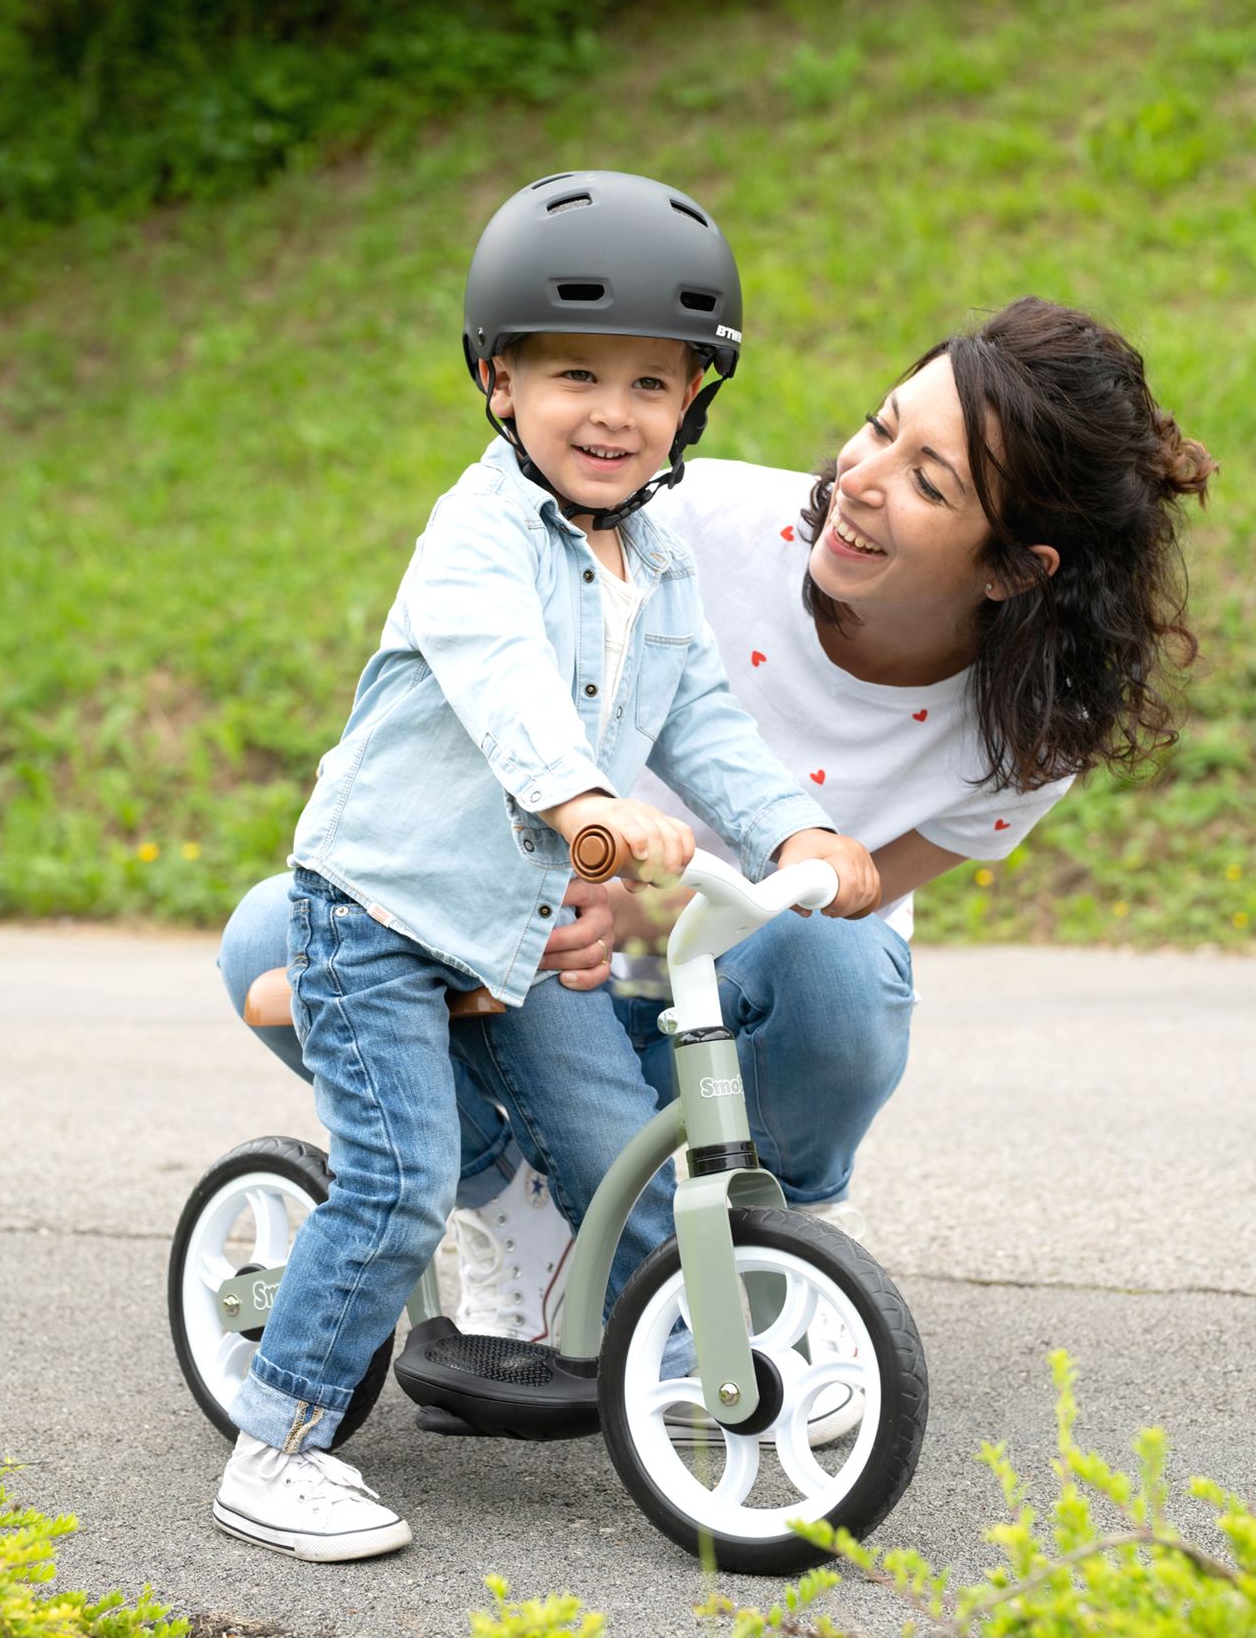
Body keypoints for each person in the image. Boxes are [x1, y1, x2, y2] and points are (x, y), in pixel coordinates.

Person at [221, 293, 1215, 1378]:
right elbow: (493, 709)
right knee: (279, 936)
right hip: (548, 958)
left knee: (842, 959)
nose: (862, 481)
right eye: (882, 426)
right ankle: (506, 1199)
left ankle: (773, 1230)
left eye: (928, 482)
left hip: (729, 1002)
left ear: (1012, 568)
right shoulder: (677, 525)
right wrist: (543, 880)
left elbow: (847, 895)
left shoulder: (1033, 728)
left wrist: (635, 896)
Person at [211, 168, 881, 1563]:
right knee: (400, 1179)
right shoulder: (474, 538)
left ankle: (690, 1369)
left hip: (513, 926)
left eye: (652, 382)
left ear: (695, 399)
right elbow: (508, 693)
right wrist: (584, 805)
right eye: (572, 373)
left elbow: (698, 713)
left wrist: (794, 832)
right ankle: (274, 1441)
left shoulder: (656, 555)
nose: (612, 413)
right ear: (495, 380)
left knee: (611, 1149)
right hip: (384, 910)